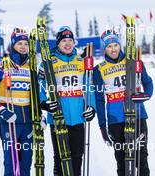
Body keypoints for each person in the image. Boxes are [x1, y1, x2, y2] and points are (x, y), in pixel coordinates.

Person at [93, 30, 153, 176]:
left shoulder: (133, 62)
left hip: (137, 115)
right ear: (104, 48)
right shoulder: (99, 70)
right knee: (122, 161)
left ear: (120, 45)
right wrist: (102, 125)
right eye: (109, 46)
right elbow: (99, 100)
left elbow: (148, 82)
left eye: (115, 45)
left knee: (141, 160)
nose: (113, 49)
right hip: (116, 120)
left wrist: (145, 95)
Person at [38, 26, 96, 176]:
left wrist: (91, 107)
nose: (68, 43)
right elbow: (39, 85)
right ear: (58, 43)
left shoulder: (80, 61)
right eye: (64, 40)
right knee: (60, 157)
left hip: (78, 116)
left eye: (70, 40)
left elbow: (89, 86)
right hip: (58, 117)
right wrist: (43, 103)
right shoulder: (49, 61)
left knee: (77, 156)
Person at [0, 28, 34, 176]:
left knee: (26, 164)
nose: (23, 46)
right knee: (11, 164)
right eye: (20, 43)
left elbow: (36, 96)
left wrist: (40, 116)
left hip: (27, 123)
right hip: (9, 123)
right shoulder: (1, 66)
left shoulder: (31, 67)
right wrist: (1, 110)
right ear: (13, 45)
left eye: (26, 43)